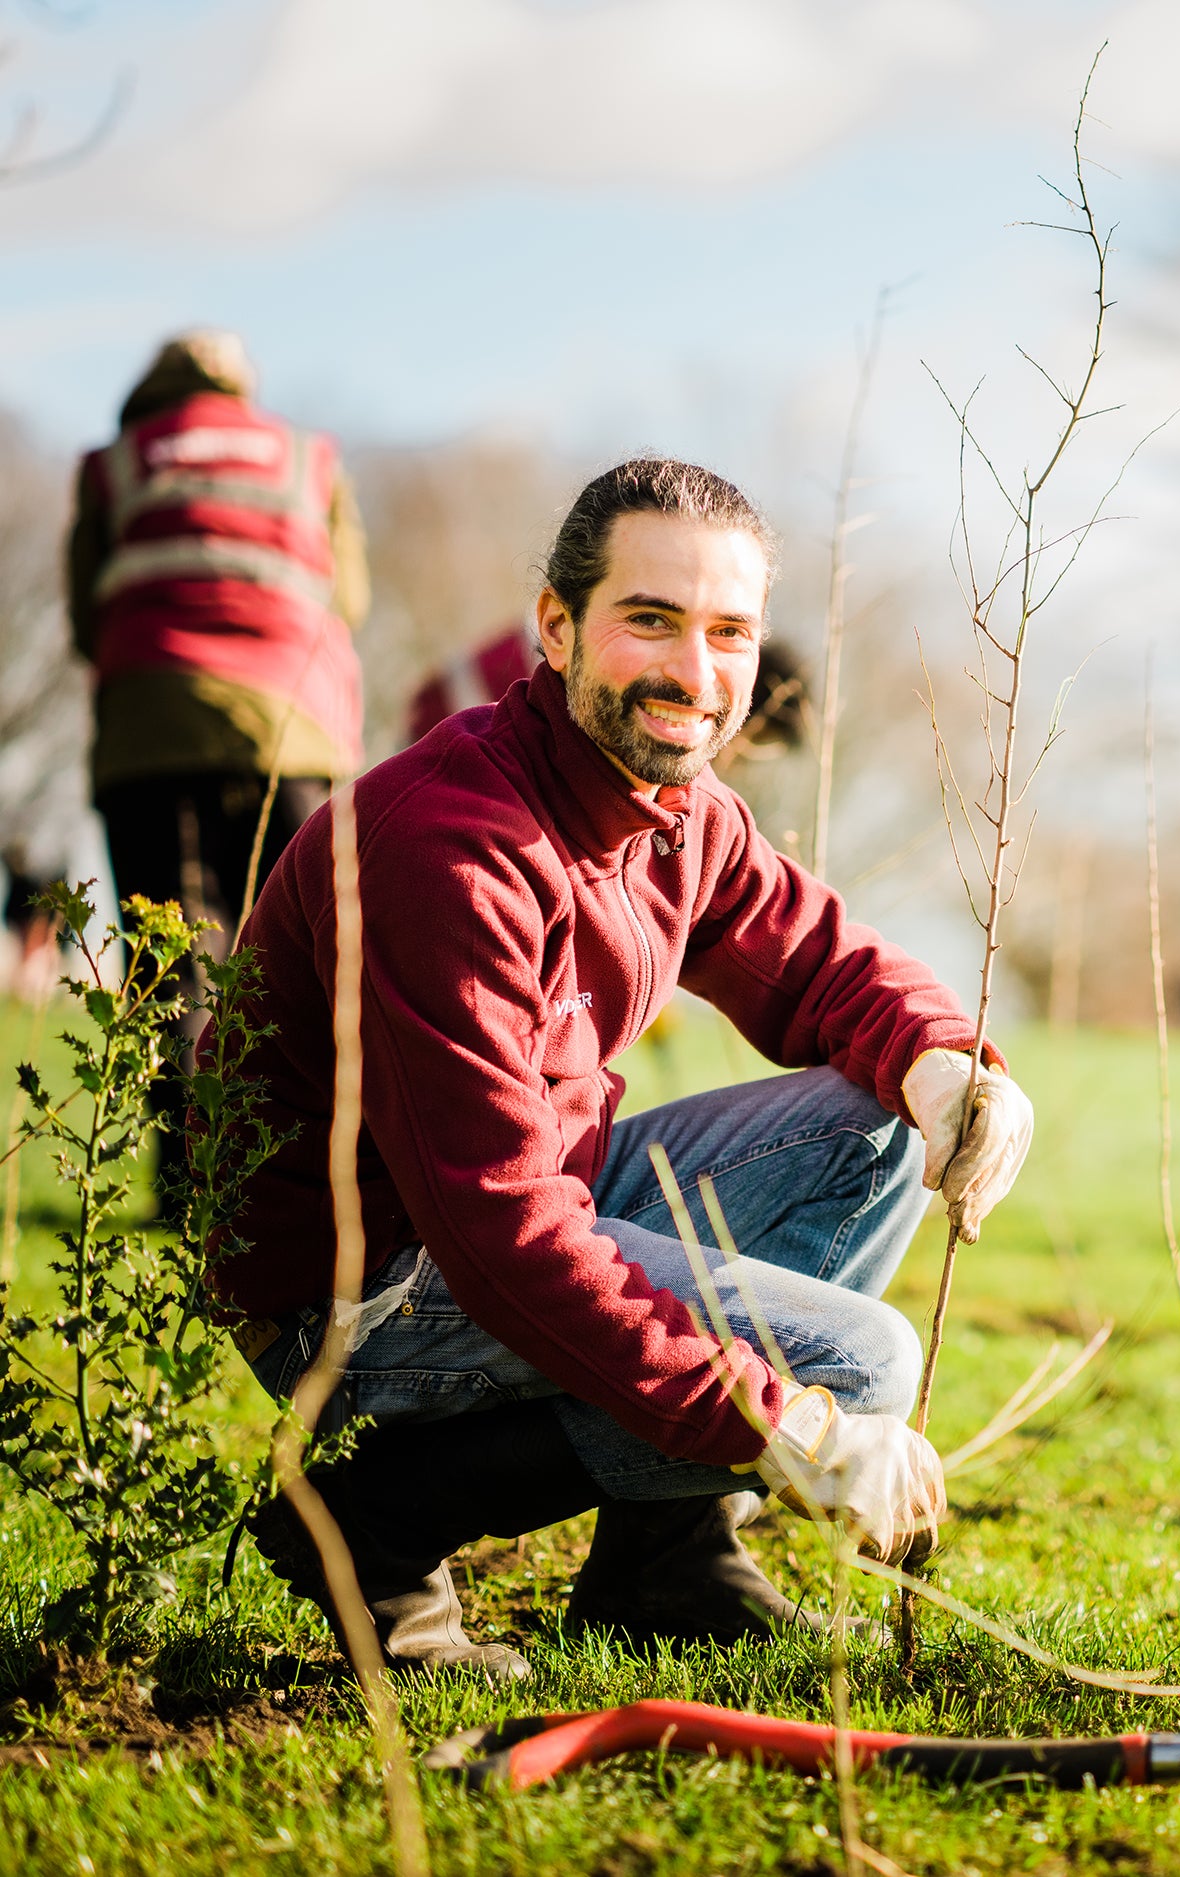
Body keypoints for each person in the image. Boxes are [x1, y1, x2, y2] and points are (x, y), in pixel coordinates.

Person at [221, 459, 1032, 1681]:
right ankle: (379, 1512)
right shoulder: (447, 849)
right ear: (555, 627)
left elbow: (817, 960)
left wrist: (944, 1061)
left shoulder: (676, 808)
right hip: (358, 1293)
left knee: (873, 1123)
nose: (693, 673)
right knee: (852, 1362)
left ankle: (670, 1560)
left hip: (522, 1210)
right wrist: (778, 1419)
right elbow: (499, 1230)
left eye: (728, 633)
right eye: (648, 619)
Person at [67, 329, 370, 1191]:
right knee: (302, 951)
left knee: (167, 956)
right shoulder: (309, 457)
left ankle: (188, 1182)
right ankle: (303, 1174)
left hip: (148, 732)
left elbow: (87, 617)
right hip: (289, 729)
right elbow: (348, 595)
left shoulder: (113, 463)